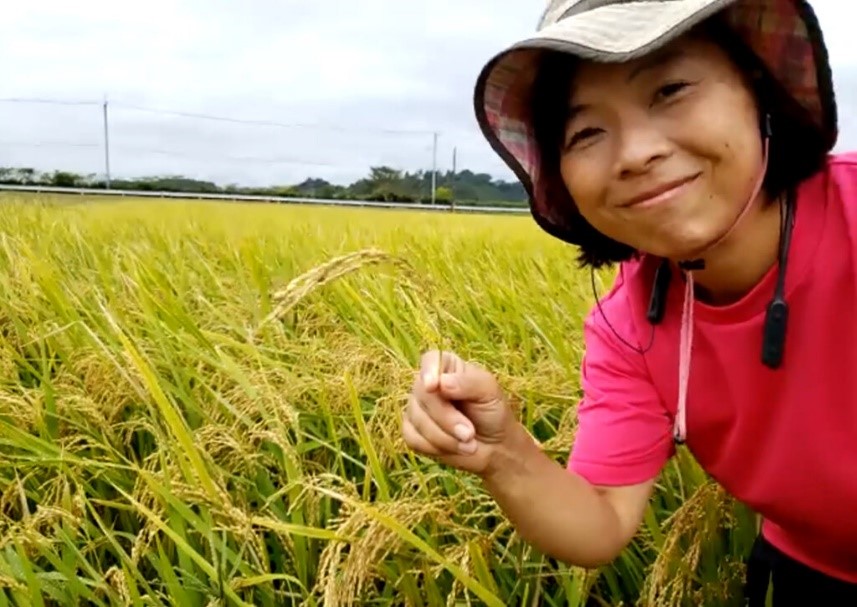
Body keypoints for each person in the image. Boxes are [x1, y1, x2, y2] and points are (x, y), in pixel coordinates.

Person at [401, 0, 857, 604]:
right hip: (811, 567)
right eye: (586, 131)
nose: (636, 152)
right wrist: (502, 451)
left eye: (670, 89)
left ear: (757, 90)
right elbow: (602, 521)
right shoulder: (629, 325)